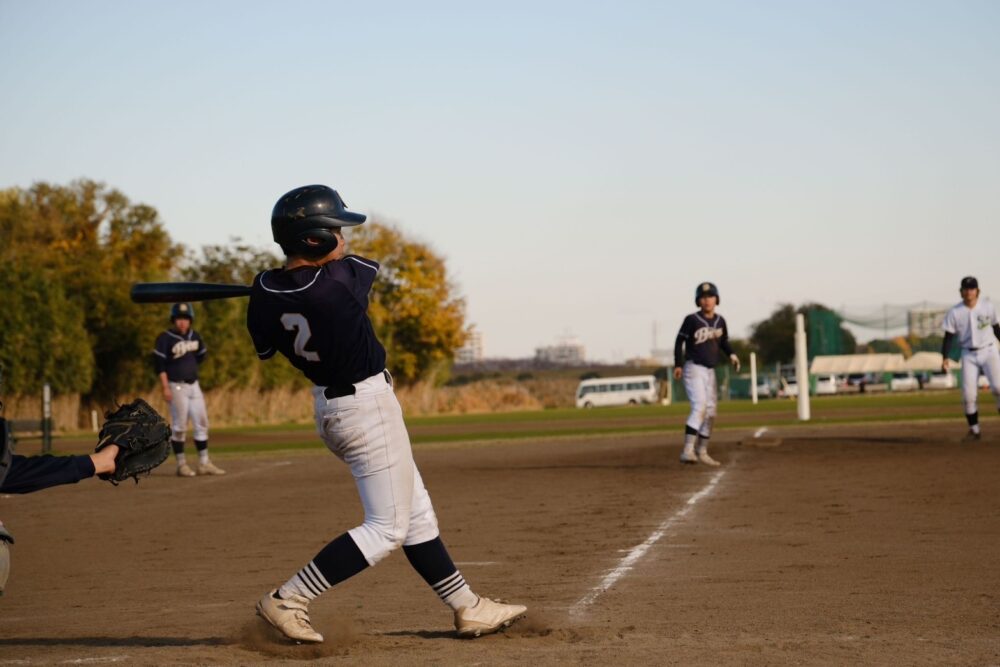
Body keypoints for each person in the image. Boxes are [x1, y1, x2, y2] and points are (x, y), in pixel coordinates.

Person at [245, 185, 526, 643]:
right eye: (335, 230)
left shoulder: (264, 292)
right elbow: (347, 272)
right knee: (387, 528)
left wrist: (270, 289)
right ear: (315, 239)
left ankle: (468, 607)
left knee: (416, 514)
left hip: (332, 408)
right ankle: (288, 598)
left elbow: (266, 336)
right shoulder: (338, 285)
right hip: (366, 409)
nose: (344, 237)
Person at [672, 282, 740, 466]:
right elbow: (679, 342)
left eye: (710, 296)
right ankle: (687, 450)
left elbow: (724, 341)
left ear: (716, 299)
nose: (707, 300)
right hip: (694, 368)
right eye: (703, 297)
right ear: (698, 301)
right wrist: (678, 364)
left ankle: (701, 451)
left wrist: (732, 355)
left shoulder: (720, 321)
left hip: (710, 371)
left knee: (710, 413)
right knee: (700, 406)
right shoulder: (692, 319)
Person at [153, 303, 224, 476]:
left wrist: (187, 367)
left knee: (202, 423)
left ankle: (204, 463)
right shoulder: (165, 338)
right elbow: (159, 365)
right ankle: (181, 464)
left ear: (190, 320)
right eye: (179, 318)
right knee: (180, 426)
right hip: (176, 386)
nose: (182, 322)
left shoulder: (195, 336)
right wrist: (165, 387)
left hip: (194, 385)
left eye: (185, 318)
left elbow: (200, 356)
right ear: (173, 320)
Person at [941, 276, 1000, 441]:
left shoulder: (988, 307)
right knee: (968, 395)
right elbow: (948, 337)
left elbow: (996, 328)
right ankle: (974, 430)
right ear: (961, 292)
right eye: (966, 288)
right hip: (968, 353)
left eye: (972, 288)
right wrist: (944, 357)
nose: (969, 292)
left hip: (989, 350)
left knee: (998, 388)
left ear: (977, 291)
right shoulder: (955, 312)